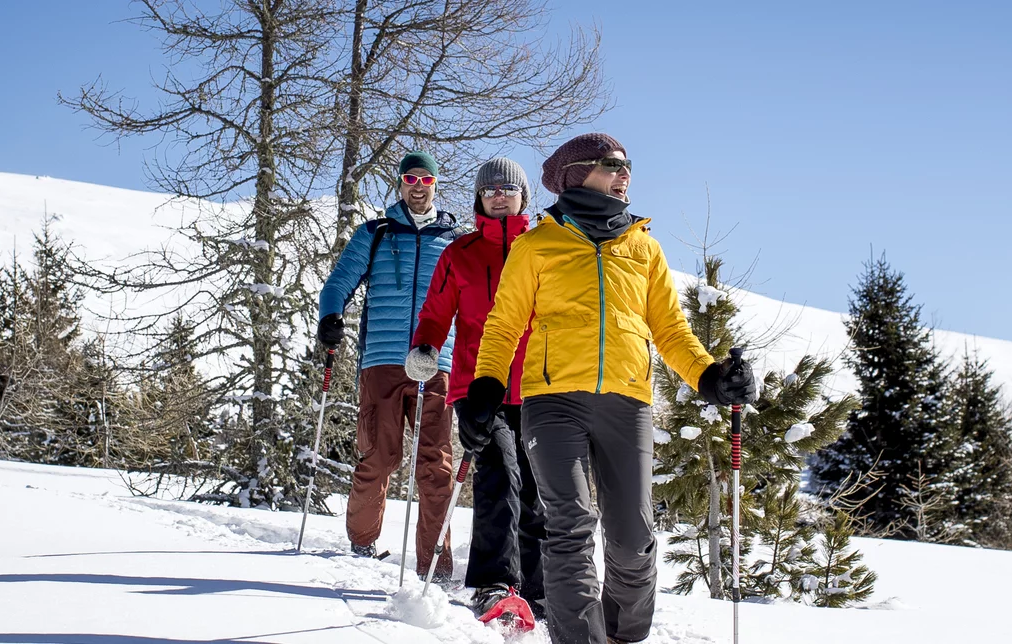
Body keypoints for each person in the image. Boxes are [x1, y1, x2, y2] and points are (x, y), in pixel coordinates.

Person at [459, 134, 758, 644]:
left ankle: (622, 635)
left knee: (633, 538)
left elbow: (670, 330)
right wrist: (484, 388)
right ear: (577, 173)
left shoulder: (643, 247)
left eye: (627, 166)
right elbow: (503, 325)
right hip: (553, 403)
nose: (624, 174)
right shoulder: (537, 245)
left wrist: (709, 377)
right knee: (570, 527)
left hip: (627, 403)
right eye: (610, 165)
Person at [405, 158, 546, 616]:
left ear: (524, 196)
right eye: (490, 190)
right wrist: (425, 346)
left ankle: (541, 592)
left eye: (508, 189)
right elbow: (436, 310)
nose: (499, 195)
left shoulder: (545, 250)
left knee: (539, 490)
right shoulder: (460, 253)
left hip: (538, 390)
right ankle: (494, 584)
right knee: (500, 475)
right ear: (479, 198)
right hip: (476, 388)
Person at [317, 151, 462, 581]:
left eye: (426, 179)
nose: (418, 186)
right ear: (400, 184)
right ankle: (361, 543)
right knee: (378, 455)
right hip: (381, 360)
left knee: (436, 465)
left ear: (436, 184)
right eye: (410, 179)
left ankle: (434, 565)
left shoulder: (453, 240)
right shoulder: (374, 235)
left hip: (436, 363)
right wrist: (330, 316)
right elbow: (338, 283)